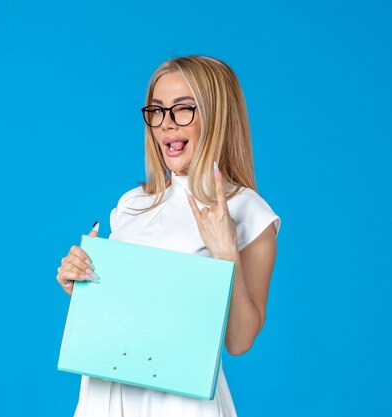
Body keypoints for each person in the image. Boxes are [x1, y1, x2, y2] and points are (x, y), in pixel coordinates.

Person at [55, 55, 281, 417]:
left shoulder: (246, 210)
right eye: (157, 111)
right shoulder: (133, 204)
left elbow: (239, 341)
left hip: (181, 404)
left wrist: (226, 252)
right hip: (105, 395)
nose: (166, 125)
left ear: (217, 115)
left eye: (183, 110)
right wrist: (80, 281)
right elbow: (126, 308)